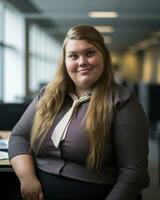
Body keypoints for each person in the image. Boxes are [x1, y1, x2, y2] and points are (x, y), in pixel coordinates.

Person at [8, 25, 149, 200]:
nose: (82, 61)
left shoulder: (123, 103)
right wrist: (27, 178)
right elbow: (19, 137)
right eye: (73, 56)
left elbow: (133, 174)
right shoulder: (48, 96)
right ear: (64, 61)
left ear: (103, 55)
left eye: (89, 53)